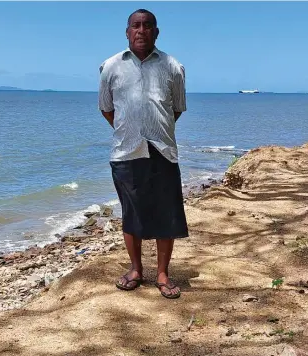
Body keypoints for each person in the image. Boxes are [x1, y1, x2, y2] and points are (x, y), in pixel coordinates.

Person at [98, 9, 188, 299]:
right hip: (126, 151)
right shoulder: (110, 67)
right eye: (135, 26)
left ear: (156, 32)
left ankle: (162, 273)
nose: (141, 30)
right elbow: (106, 108)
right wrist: (129, 130)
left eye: (147, 26)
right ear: (127, 32)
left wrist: (154, 129)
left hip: (163, 150)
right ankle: (136, 269)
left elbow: (176, 109)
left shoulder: (173, 67)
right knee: (131, 214)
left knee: (167, 214)